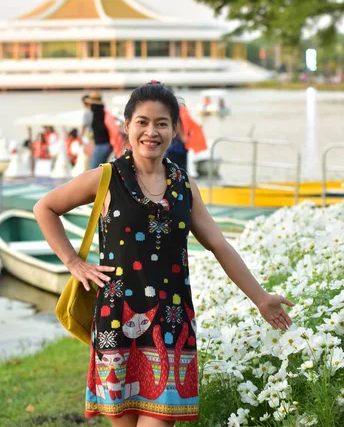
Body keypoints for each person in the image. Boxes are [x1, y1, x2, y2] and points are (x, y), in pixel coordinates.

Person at [33, 81, 294, 425]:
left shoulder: (184, 184)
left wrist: (260, 298)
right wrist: (73, 262)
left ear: (175, 129)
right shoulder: (107, 177)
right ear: (126, 127)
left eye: (161, 123)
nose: (151, 131)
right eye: (142, 122)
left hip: (171, 323)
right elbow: (45, 208)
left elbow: (219, 244)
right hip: (117, 321)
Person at [86, 91, 113, 169]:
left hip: (101, 144)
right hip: (105, 144)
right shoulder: (103, 112)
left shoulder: (97, 114)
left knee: (94, 169)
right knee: (101, 169)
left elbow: (101, 129)